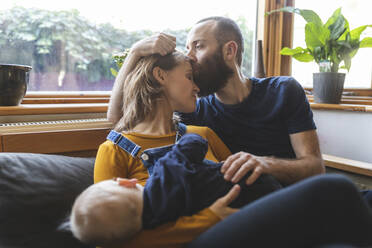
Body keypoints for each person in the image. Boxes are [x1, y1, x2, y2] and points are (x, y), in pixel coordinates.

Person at [107, 16, 325, 187]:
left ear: (229, 50)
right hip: (243, 208)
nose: (189, 57)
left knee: (345, 191)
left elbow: (315, 168)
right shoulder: (193, 110)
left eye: (198, 46)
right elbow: (118, 118)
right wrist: (134, 53)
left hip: (293, 197)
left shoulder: (283, 90)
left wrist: (264, 164)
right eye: (188, 48)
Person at [94, 49, 243, 248]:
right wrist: (209, 220)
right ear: (160, 75)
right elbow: (109, 242)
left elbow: (243, 185)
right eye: (189, 77)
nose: (197, 87)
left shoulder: (203, 135)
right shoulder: (114, 151)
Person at [72, 133, 282, 246]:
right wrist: (190, 138)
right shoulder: (163, 172)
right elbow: (191, 146)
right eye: (188, 77)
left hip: (244, 205)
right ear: (125, 181)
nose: (196, 86)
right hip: (254, 191)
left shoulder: (155, 224)